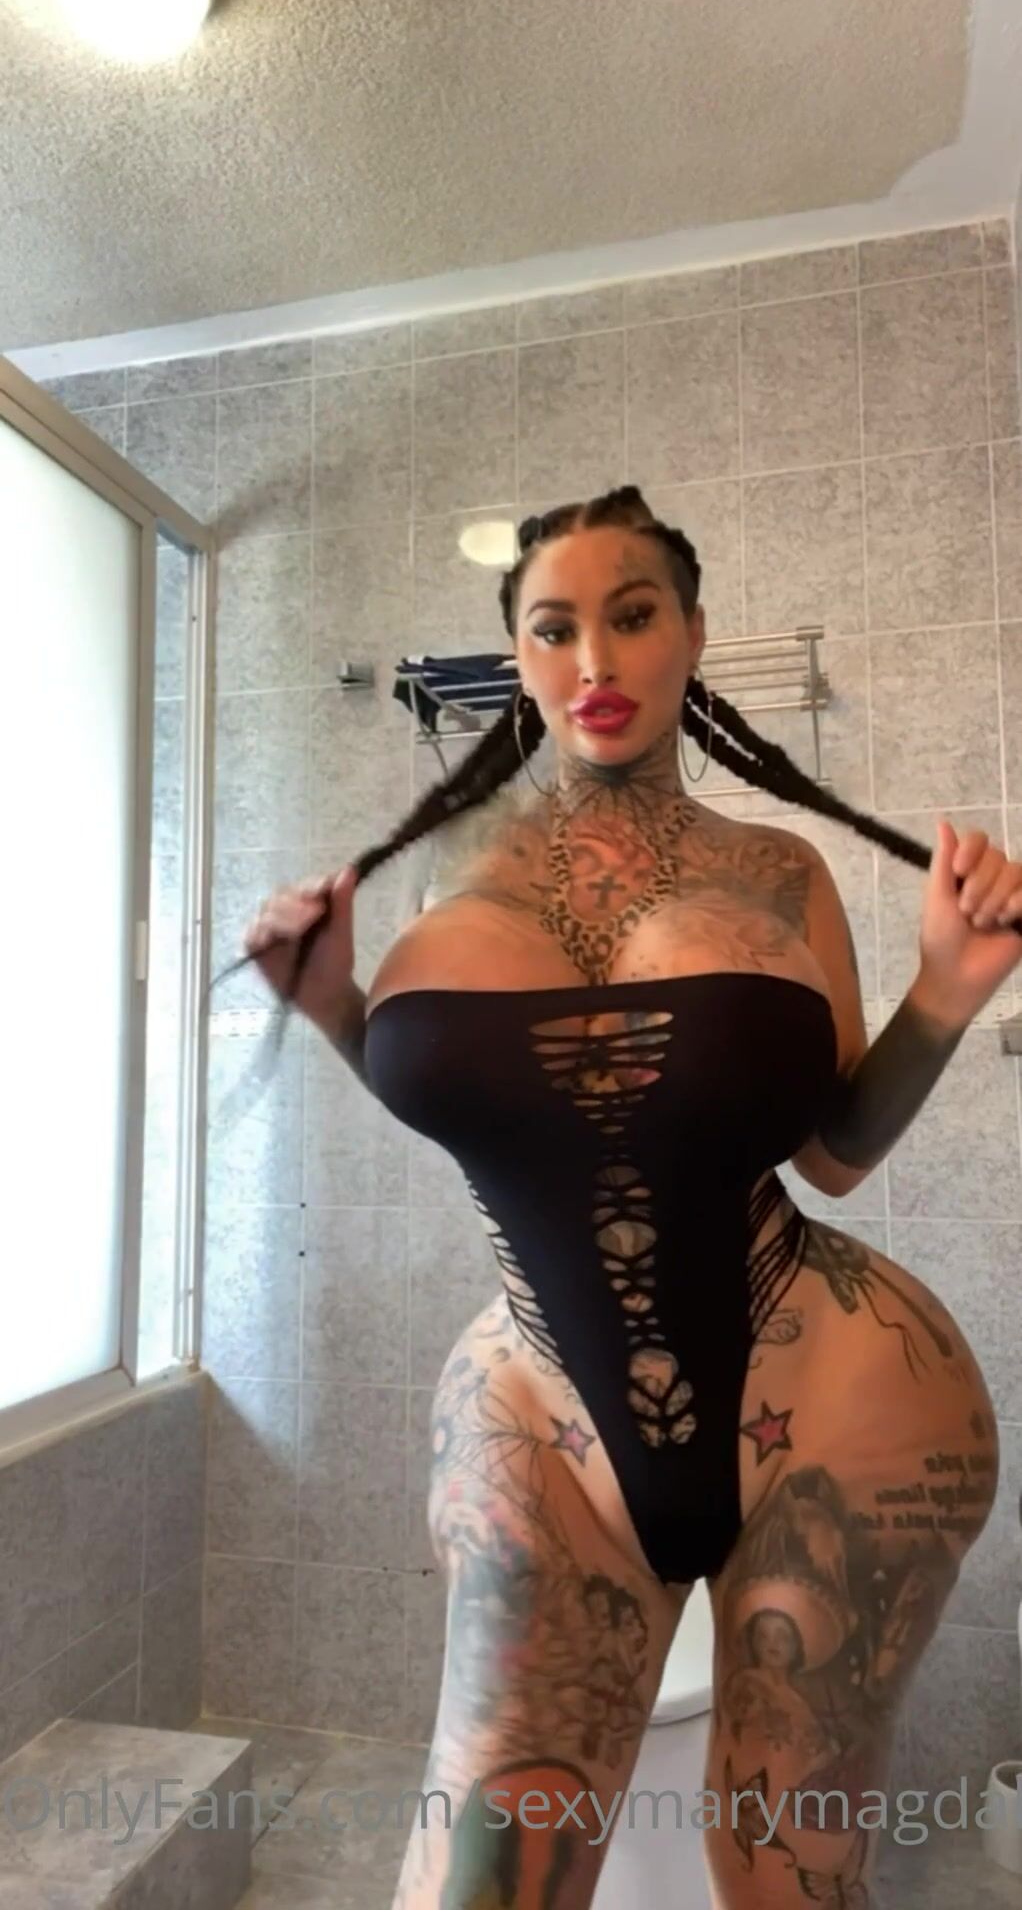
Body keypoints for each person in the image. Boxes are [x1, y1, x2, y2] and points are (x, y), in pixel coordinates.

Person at [238, 486, 1022, 1908]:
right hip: (538, 1415)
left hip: (835, 1397)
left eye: (633, 615)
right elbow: (464, 1105)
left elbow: (835, 1152)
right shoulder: (444, 868)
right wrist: (336, 1004)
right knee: (477, 1886)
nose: (593, 659)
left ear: (692, 636)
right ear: (520, 659)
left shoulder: (778, 869)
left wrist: (949, 993)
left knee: (783, 1881)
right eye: (555, 629)